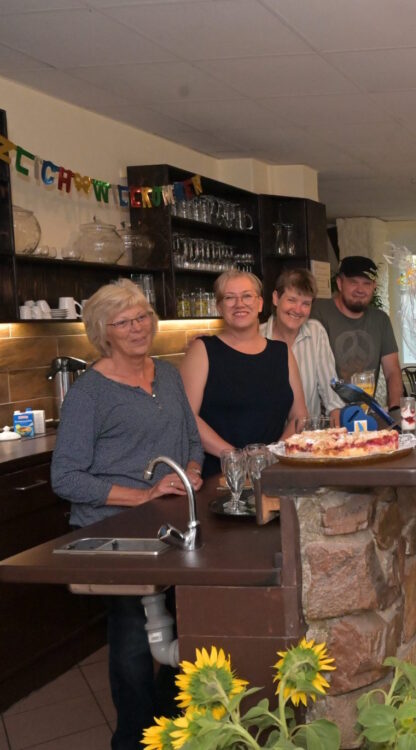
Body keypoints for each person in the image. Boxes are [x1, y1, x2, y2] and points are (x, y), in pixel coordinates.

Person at [50, 279, 204, 750]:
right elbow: (67, 478)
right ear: (104, 332)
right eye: (124, 322)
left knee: (184, 628)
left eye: (142, 317)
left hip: (171, 526)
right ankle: (134, 739)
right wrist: (144, 494)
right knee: (135, 639)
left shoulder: (169, 374)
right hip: (114, 532)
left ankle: (172, 725)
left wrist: (192, 470)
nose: (137, 328)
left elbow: (190, 440)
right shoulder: (89, 393)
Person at [180, 270, 307, 477]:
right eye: (229, 298)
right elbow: (187, 418)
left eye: (247, 296)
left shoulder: (281, 352)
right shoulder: (202, 350)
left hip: (272, 472)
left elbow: (300, 417)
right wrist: (236, 457)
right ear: (219, 307)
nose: (239, 304)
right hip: (221, 476)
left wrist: (272, 456)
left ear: (259, 303)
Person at [311, 255, 404, 411]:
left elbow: (392, 372)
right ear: (340, 283)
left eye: (366, 283)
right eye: (353, 282)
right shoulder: (318, 312)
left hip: (363, 414)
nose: (360, 290)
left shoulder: (380, 320)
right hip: (324, 418)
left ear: (374, 286)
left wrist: (395, 410)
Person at [260, 267, 344, 421]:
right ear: (276, 298)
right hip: (267, 442)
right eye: (291, 300)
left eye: (306, 303)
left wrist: (338, 434)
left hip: (308, 439)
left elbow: (332, 396)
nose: (298, 310)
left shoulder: (316, 332)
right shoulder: (257, 336)